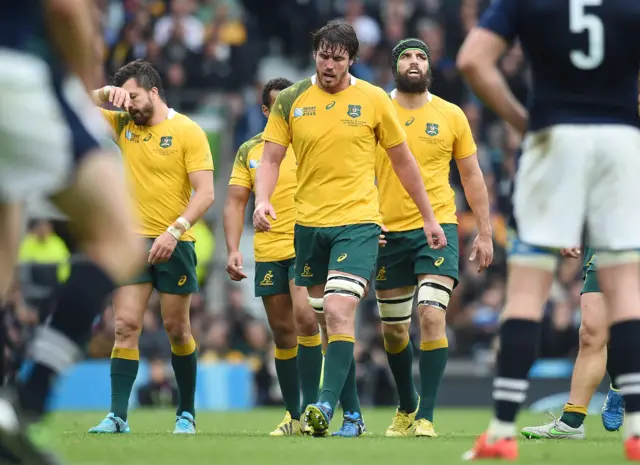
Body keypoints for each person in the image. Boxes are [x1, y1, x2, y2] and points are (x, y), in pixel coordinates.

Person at [457, 0, 640, 460]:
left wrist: (524, 120)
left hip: (554, 138)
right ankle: (635, 432)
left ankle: (500, 431)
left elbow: (472, 60)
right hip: (619, 143)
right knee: (624, 298)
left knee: (524, 293)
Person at [253, 20, 446, 438]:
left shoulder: (374, 100)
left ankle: (321, 404)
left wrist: (430, 217)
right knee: (320, 321)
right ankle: (353, 417)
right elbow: (270, 160)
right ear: (315, 55)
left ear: (352, 60)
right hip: (308, 226)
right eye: (323, 55)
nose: (329, 65)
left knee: (340, 312)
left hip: (358, 224)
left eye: (338, 58)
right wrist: (263, 199)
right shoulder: (290, 99)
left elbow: (403, 163)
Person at [0, 1, 145, 463]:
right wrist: (84, 86)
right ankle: (31, 396)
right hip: (15, 75)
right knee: (120, 241)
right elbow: (66, 9)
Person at [370, 38, 493, 438]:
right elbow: (355, 169)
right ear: (394, 65)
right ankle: (406, 404)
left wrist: (485, 231)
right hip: (387, 231)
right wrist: (367, 220)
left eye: (421, 56)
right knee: (393, 330)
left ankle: (427, 415)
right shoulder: (376, 110)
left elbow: (471, 176)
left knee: (432, 312)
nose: (414, 61)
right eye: (405, 55)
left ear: (429, 67)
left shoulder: (451, 114)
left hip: (437, 227)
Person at [87, 59, 215, 435]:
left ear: (154, 91)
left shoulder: (188, 131)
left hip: (176, 241)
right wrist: (102, 95)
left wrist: (174, 230)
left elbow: (206, 193)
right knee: (125, 325)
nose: (129, 105)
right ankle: (117, 416)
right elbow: (72, 104)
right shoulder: (123, 123)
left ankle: (186, 413)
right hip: (132, 243)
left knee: (177, 330)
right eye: (124, 99)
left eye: (135, 97)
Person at [224, 77, 324, 436]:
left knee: (306, 318)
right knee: (282, 333)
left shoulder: (311, 140)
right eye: (278, 105)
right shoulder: (249, 150)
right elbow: (236, 200)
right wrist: (234, 249)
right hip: (268, 251)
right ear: (266, 110)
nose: (287, 111)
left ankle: (315, 410)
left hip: (306, 243)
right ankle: (293, 415)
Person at [521, 247, 625, 439]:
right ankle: (571, 422)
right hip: (605, 242)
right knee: (592, 332)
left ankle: (621, 385)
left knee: (626, 326)